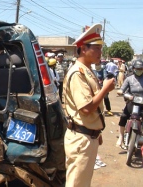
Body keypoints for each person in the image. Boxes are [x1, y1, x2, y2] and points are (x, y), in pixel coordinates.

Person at [63, 23, 115, 187]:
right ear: (83, 49)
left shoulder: (87, 70)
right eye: (97, 48)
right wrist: (105, 89)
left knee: (82, 182)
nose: (100, 52)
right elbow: (86, 108)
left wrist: (96, 130)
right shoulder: (78, 73)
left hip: (87, 135)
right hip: (81, 138)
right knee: (77, 183)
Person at [116, 59, 143, 149]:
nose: (139, 70)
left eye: (141, 68)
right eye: (137, 68)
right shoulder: (129, 79)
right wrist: (122, 92)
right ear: (133, 68)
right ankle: (121, 137)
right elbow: (122, 89)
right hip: (132, 101)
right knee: (123, 116)